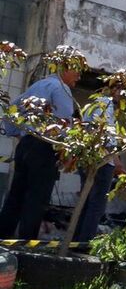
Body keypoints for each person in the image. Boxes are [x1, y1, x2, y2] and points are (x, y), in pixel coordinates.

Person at [0, 64, 83, 239]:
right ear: (65, 70)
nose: (79, 77)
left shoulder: (38, 85)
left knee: (17, 193)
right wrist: (67, 152)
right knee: (36, 197)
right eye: (76, 72)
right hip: (45, 146)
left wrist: (17, 133)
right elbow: (64, 124)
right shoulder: (62, 88)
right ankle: (26, 244)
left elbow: (12, 109)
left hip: (26, 144)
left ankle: (3, 237)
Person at [74, 93, 123, 243]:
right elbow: (108, 138)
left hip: (89, 159)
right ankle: (85, 242)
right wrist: (117, 162)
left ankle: (76, 239)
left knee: (85, 201)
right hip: (102, 162)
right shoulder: (105, 104)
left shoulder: (93, 105)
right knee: (96, 205)